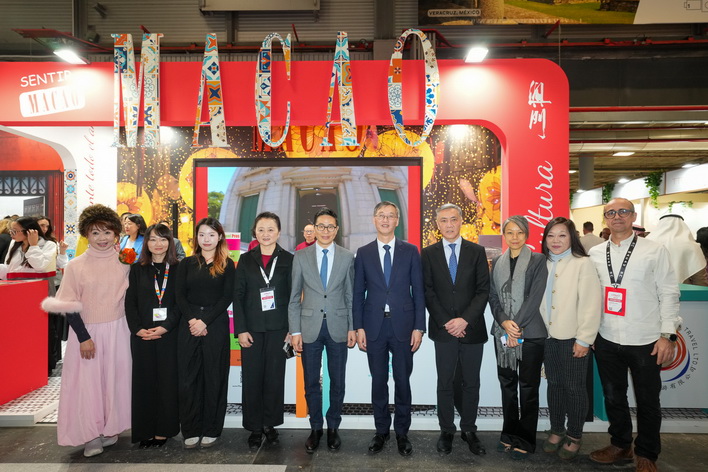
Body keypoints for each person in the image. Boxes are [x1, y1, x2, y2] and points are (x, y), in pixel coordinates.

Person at [588, 198, 681, 472]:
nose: (617, 216)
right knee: (613, 396)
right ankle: (620, 445)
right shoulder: (595, 253)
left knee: (648, 400)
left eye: (623, 212)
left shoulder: (655, 250)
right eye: (611, 213)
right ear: (605, 218)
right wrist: (590, 332)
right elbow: (590, 295)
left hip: (646, 338)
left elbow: (669, 293)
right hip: (606, 336)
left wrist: (668, 335)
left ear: (633, 216)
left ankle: (647, 453)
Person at [40, 204, 131, 457]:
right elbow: (69, 305)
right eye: (95, 233)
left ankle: (110, 428)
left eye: (107, 232)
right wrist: (83, 337)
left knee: (114, 382)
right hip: (88, 334)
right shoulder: (76, 266)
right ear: (86, 234)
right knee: (87, 386)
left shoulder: (125, 262)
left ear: (116, 234)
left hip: (119, 332)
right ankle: (90, 436)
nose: (102, 238)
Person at [353, 202, 425, 456]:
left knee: (402, 380)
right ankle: (381, 430)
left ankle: (402, 433)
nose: (385, 220)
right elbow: (357, 293)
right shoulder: (363, 253)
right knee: (378, 381)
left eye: (390, 216)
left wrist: (419, 327)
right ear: (374, 220)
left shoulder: (411, 251)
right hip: (374, 326)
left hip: (404, 326)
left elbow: (419, 291)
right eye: (381, 215)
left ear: (397, 220)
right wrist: (358, 326)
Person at [421, 203, 490, 456]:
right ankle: (447, 430)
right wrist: (448, 322)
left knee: (471, 382)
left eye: (453, 219)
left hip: (472, 329)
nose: (449, 225)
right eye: (443, 220)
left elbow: (483, 290)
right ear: (437, 224)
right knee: (445, 382)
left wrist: (464, 320)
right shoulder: (428, 254)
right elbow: (428, 291)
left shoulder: (477, 251)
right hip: (443, 330)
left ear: (461, 221)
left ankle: (469, 429)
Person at [288, 208, 356, 454]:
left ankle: (333, 426)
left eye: (330, 226)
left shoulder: (347, 257)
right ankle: (316, 427)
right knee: (310, 382)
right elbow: (294, 297)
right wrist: (295, 331)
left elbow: (350, 295)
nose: (325, 230)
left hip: (338, 327)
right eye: (321, 226)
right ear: (314, 229)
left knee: (337, 381)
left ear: (336, 230)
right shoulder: (301, 256)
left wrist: (352, 327)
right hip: (309, 328)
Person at [539, 217, 601, 460]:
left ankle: (574, 435)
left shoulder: (582, 263)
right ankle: (557, 429)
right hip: (548, 337)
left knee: (574, 388)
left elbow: (591, 304)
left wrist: (584, 339)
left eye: (562, 235)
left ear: (572, 237)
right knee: (554, 385)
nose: (556, 240)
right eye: (551, 235)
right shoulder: (542, 263)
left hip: (573, 337)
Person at [488, 215, 548, 460]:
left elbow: (535, 297)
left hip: (530, 333)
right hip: (502, 332)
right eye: (510, 232)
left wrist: (516, 327)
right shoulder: (497, 261)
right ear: (504, 235)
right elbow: (493, 296)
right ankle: (509, 433)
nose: (514, 237)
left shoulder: (537, 260)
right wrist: (504, 322)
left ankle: (526, 438)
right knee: (507, 385)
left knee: (528, 387)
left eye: (520, 232)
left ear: (527, 235)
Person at [233, 212, 293, 450]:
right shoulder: (245, 260)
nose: (266, 234)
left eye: (270, 229)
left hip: (279, 329)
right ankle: (254, 427)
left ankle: (270, 424)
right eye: (261, 229)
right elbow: (237, 296)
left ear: (279, 232)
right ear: (254, 233)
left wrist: (292, 329)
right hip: (252, 330)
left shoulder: (289, 259)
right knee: (252, 378)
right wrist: (240, 329)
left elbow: (294, 296)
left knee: (274, 379)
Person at [175, 217, 235, 449]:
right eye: (201, 234)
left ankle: (211, 428)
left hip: (215, 325)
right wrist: (193, 320)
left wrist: (205, 321)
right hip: (188, 325)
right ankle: (190, 429)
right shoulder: (187, 263)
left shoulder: (227, 264)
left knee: (214, 377)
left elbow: (226, 297)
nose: (206, 239)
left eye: (211, 234)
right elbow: (180, 295)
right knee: (188, 378)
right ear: (196, 238)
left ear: (219, 237)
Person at [125, 223, 181, 448]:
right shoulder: (137, 269)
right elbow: (130, 303)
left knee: (168, 382)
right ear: (146, 242)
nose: (158, 244)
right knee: (144, 382)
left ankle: (164, 429)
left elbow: (181, 304)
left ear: (170, 243)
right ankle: (145, 430)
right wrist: (137, 329)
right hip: (142, 335)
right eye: (153, 239)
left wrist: (165, 327)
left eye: (163, 239)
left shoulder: (178, 268)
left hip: (170, 334)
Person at [37, 215, 70, 375]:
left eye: (46, 226)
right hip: (32, 289)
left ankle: (52, 359)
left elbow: (61, 263)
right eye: (41, 225)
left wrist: (62, 252)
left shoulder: (51, 243)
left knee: (51, 325)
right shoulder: (24, 244)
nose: (44, 228)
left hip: (50, 286)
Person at [0, 216, 58, 294]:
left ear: (29, 231)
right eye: (11, 231)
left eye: (14, 231)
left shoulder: (49, 245)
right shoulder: (14, 244)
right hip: (16, 290)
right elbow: (9, 268)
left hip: (39, 291)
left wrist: (33, 245)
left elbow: (40, 266)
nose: (11, 234)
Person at [647, 214, 708, 286]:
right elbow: (700, 279)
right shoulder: (692, 246)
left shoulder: (647, 242)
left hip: (651, 290)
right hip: (683, 290)